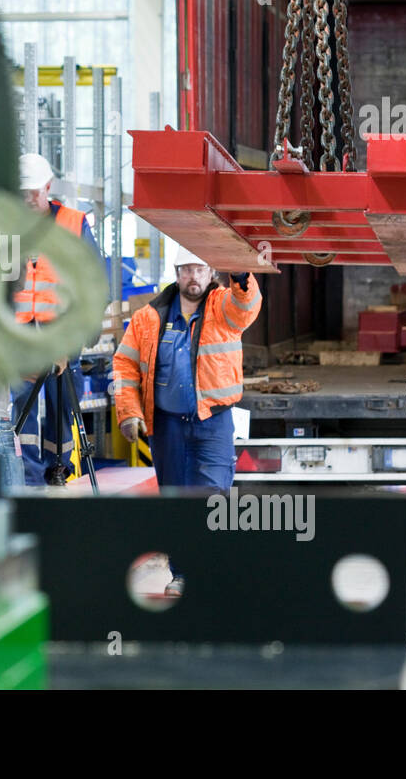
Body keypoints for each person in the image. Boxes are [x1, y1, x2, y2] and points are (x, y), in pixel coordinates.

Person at [112, 243, 262, 594]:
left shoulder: (223, 305)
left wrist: (241, 274)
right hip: (168, 426)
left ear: (211, 273)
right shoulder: (149, 317)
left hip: (213, 422)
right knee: (176, 502)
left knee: (212, 498)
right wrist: (129, 412)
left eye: (199, 269)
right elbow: (124, 365)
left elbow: (247, 306)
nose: (193, 276)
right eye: (186, 269)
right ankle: (182, 575)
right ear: (176, 273)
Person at [11, 152, 102, 486]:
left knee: (62, 407)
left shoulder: (74, 224)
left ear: (47, 188)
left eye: (33, 191)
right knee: (23, 408)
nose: (27, 198)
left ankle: (57, 470)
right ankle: (31, 476)